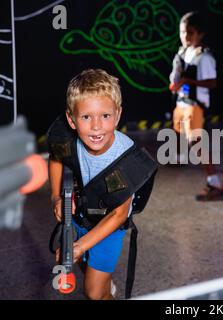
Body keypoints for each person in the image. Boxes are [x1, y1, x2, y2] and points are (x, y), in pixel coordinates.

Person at [47, 69, 156, 299]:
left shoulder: (127, 160)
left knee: (94, 294)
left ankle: (104, 291)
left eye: (105, 116)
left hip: (109, 227)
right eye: (86, 117)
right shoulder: (66, 138)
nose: (96, 126)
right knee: (85, 265)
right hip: (78, 219)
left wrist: (81, 245)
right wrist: (56, 197)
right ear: (71, 120)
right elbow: (56, 157)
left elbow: (118, 214)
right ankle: (104, 282)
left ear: (117, 116)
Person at [169, 11, 223, 201]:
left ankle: (215, 182)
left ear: (200, 34)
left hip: (196, 105)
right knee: (177, 131)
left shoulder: (205, 57)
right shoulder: (183, 52)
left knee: (197, 143)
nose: (185, 37)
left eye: (190, 33)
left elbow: (212, 83)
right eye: (183, 32)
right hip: (183, 102)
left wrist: (187, 80)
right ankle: (179, 159)